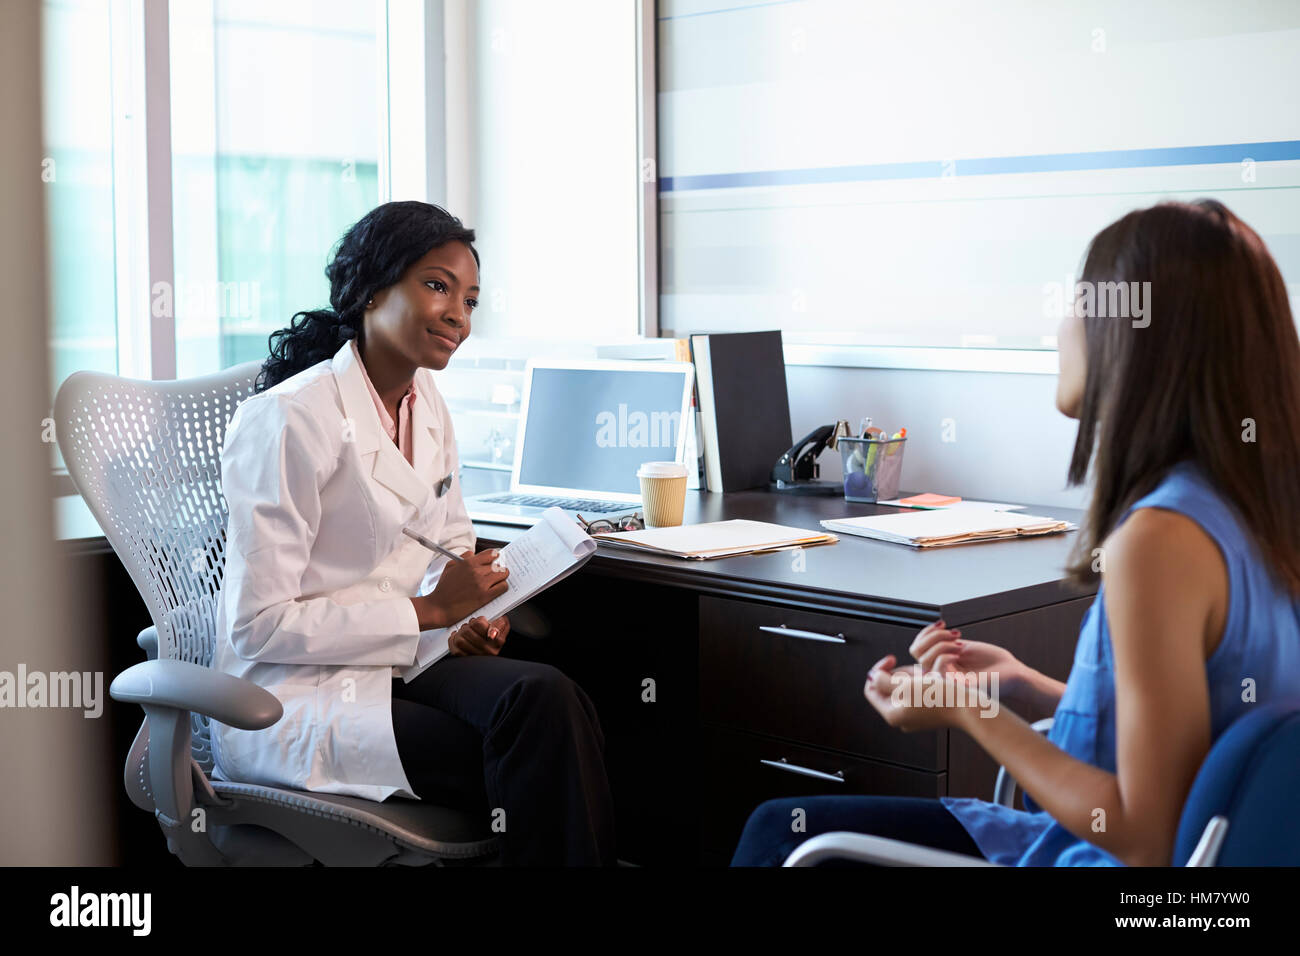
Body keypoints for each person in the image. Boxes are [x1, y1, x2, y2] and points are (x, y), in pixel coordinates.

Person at [731, 198, 1300, 866]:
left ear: (1140, 338)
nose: (1063, 326)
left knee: (782, 836)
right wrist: (1028, 686)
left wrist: (967, 711)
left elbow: (1146, 834)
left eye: (1079, 302)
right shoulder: (1255, 517)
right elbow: (1200, 749)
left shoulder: (1159, 542)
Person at [209, 200, 616, 866]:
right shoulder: (288, 419)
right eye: (437, 285)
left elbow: (447, 541)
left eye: (471, 300)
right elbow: (258, 627)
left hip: (402, 661)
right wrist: (429, 609)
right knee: (534, 751)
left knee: (547, 700)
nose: (459, 314)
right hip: (294, 696)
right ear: (371, 289)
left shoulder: (426, 405)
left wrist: (469, 616)